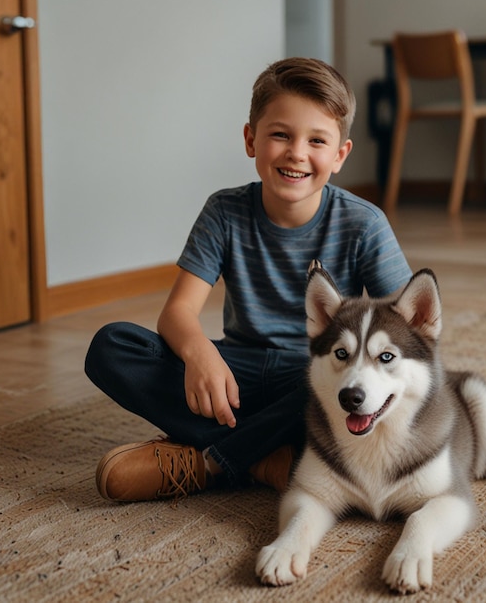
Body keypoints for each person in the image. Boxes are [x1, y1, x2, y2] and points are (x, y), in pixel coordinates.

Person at [85, 57, 412, 502]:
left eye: (317, 140)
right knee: (112, 347)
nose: (297, 152)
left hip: (313, 377)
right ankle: (266, 459)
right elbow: (178, 312)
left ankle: (213, 462)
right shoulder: (224, 211)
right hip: (234, 375)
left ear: (339, 156)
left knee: (340, 389)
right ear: (250, 139)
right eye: (280, 134)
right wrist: (200, 353)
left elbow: (406, 335)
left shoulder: (364, 224)